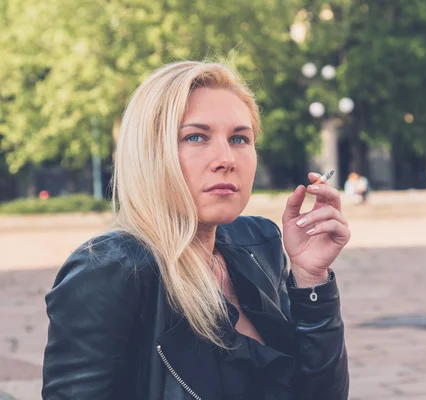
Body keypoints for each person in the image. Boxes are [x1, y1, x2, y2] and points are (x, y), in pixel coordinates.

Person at [42, 61, 351, 400]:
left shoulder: (259, 244)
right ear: (151, 153)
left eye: (239, 138)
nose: (226, 158)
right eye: (195, 137)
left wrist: (311, 278)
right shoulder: (110, 269)